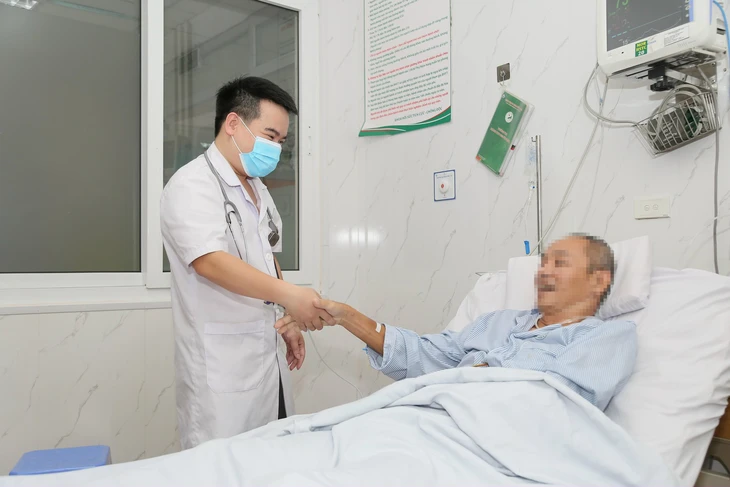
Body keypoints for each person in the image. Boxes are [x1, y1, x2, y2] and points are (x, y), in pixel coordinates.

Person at [161, 76, 334, 449]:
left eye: (282, 141)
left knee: (273, 458)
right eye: (270, 136)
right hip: (221, 372)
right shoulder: (192, 185)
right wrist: (291, 296)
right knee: (223, 467)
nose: (276, 149)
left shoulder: (257, 188)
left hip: (267, 358)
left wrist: (285, 319)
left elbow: (267, 257)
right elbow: (210, 261)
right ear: (233, 123)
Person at [276, 234, 638, 411]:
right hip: (431, 418)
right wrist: (346, 316)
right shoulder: (499, 323)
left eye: (559, 263)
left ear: (599, 280)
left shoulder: (606, 337)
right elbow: (424, 355)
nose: (543, 271)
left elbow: (565, 405)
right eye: (543, 262)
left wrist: (476, 376)